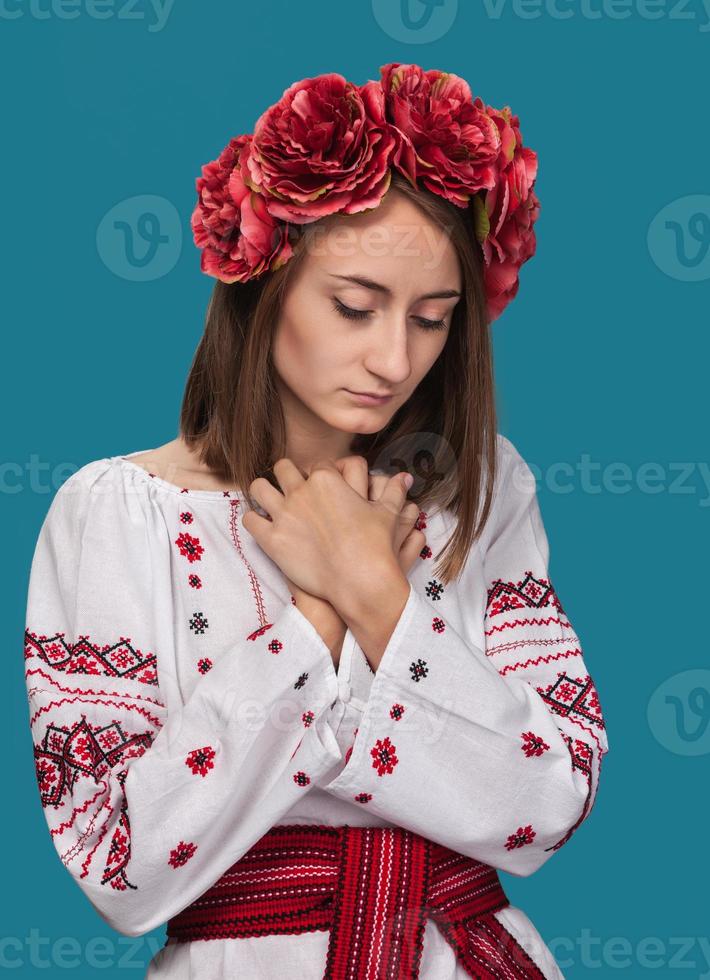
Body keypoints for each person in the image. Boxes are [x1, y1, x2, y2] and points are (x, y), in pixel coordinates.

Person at [23, 63, 609, 979]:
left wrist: (381, 597)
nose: (393, 357)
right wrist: (316, 617)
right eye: (354, 306)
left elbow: (550, 802)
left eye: (432, 319)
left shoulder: (484, 491)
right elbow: (119, 868)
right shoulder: (119, 515)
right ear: (265, 281)